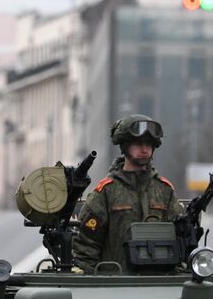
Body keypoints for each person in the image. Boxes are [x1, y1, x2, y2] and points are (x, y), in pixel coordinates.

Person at [72, 114, 185, 273]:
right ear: (125, 146)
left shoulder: (164, 190)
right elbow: (86, 246)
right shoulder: (106, 191)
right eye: (138, 144)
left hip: (159, 285)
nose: (144, 149)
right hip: (117, 285)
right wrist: (94, 284)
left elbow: (180, 241)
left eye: (148, 144)